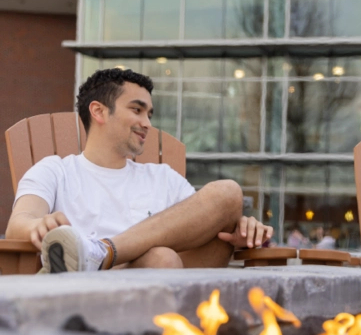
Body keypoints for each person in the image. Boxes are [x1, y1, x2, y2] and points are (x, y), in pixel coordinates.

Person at [5, 68, 273, 273]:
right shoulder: (56, 171)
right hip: (82, 292)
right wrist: (38, 226)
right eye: (137, 110)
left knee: (228, 194)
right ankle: (99, 257)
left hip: (162, 285)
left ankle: (99, 253)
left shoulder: (163, 177)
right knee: (162, 259)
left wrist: (242, 232)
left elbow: (206, 225)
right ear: (98, 111)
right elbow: (19, 223)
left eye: (150, 115)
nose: (147, 123)